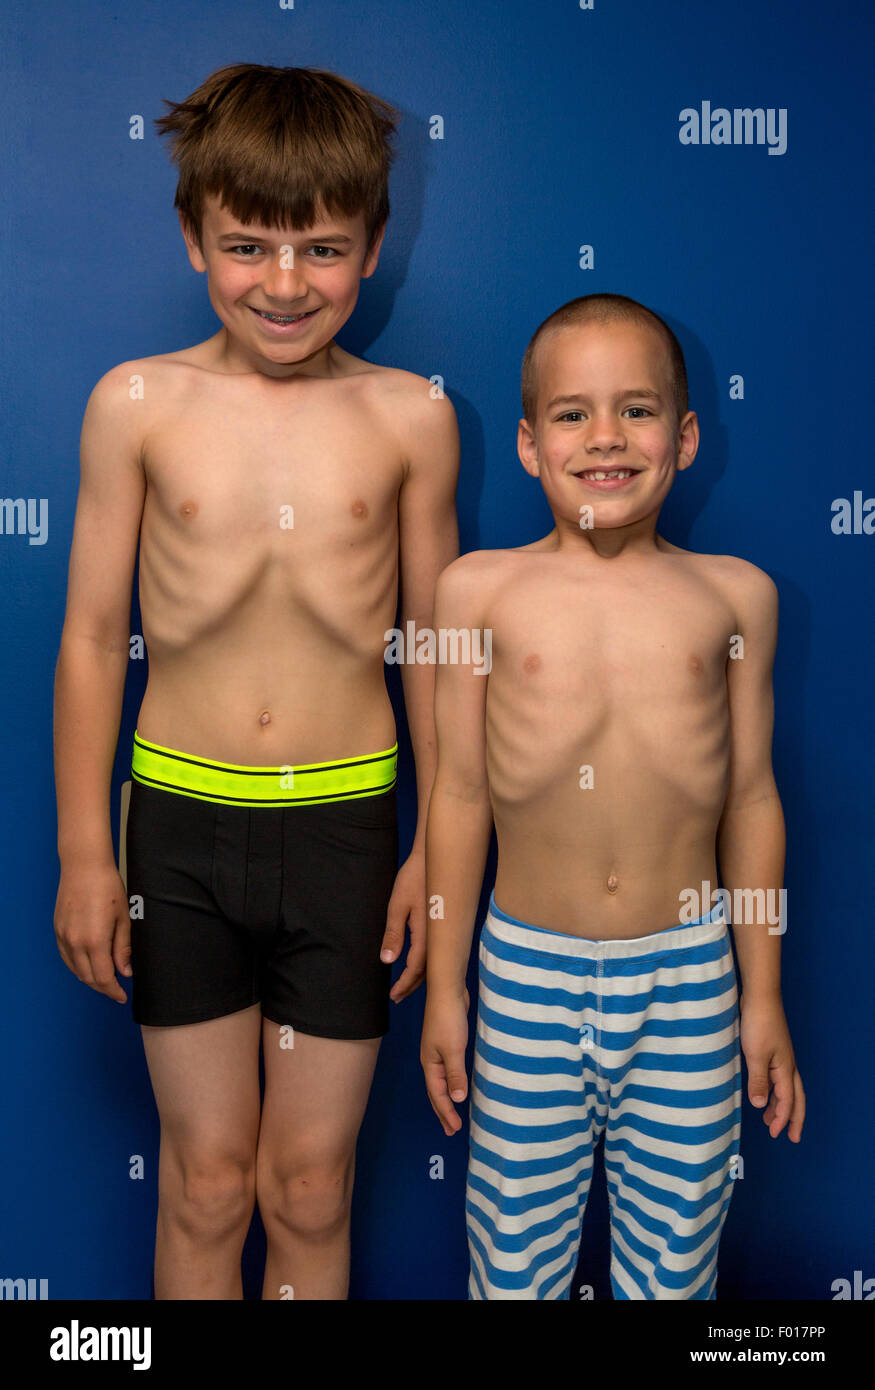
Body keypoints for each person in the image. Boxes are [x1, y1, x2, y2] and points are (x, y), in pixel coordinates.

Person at [52, 63, 459, 1300]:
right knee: (210, 1177)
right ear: (192, 238)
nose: (285, 285)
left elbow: (436, 642)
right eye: (247, 246)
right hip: (173, 828)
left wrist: (434, 848)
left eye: (323, 250)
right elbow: (88, 635)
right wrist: (84, 849)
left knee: (307, 1187)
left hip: (344, 829)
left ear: (374, 246)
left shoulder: (410, 419)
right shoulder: (135, 404)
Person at [421, 292, 805, 1300]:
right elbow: (457, 793)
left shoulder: (734, 596)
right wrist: (448, 986)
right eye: (570, 414)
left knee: (674, 1267)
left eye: (635, 411)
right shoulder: (475, 592)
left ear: (681, 439)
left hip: (687, 975)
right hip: (524, 975)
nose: (604, 438)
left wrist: (759, 995)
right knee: (512, 1262)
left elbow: (752, 802)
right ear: (524, 442)